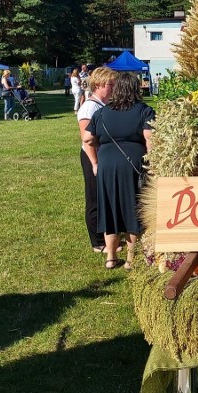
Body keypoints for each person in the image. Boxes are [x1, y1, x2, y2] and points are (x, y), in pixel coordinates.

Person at [84, 71, 155, 269]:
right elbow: (150, 138)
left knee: (109, 208)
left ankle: (111, 257)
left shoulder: (102, 112)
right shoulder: (144, 110)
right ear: (135, 89)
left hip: (106, 165)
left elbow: (87, 139)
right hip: (133, 166)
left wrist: (96, 162)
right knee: (133, 209)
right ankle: (131, 260)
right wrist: (153, 164)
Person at [78, 67, 117, 255]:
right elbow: (86, 139)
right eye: (110, 84)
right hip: (92, 156)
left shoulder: (103, 105)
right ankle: (97, 241)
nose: (113, 88)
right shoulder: (89, 107)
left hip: (103, 156)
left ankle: (107, 234)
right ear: (99, 84)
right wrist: (94, 163)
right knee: (94, 197)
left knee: (104, 196)